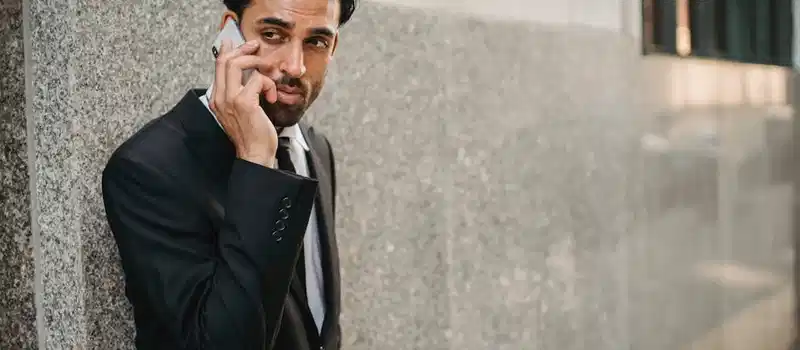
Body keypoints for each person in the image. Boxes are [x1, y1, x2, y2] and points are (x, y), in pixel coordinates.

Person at [101, 0, 356, 348]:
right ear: (229, 34)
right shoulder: (147, 170)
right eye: (273, 34)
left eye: (316, 42)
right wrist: (256, 163)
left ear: (333, 46)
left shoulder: (315, 149)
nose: (295, 66)